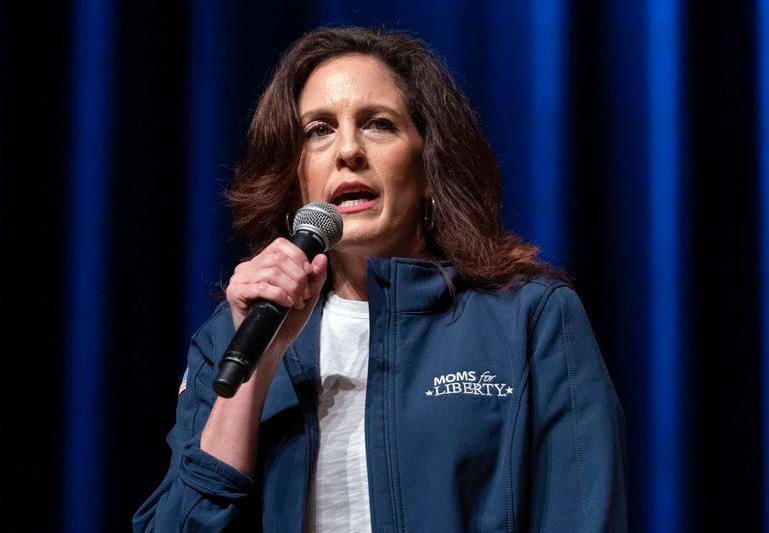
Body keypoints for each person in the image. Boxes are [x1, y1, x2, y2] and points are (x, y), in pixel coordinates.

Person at [134, 26, 627, 532]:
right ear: (296, 176)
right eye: (318, 130)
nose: (347, 150)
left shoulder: (529, 317)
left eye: (378, 125)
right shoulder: (234, 331)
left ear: (429, 165)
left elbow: (583, 513)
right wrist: (257, 368)